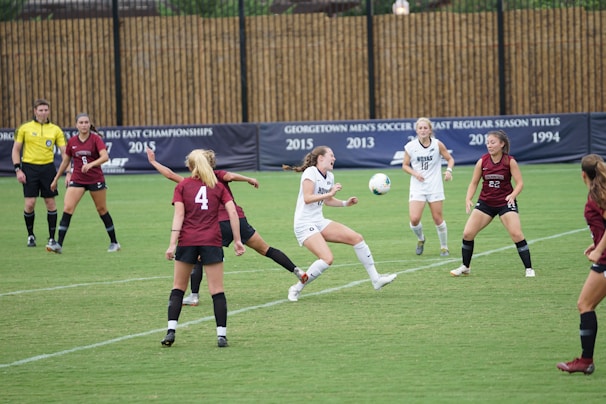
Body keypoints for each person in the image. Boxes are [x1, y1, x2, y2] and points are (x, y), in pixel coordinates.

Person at [147, 147, 308, 306]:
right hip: (238, 220)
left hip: (217, 224)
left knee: (198, 258)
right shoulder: (218, 175)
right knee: (265, 249)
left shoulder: (192, 183)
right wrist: (248, 179)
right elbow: (230, 175)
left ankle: (194, 296)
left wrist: (153, 162)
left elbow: (170, 175)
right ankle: (297, 271)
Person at [283, 146, 397, 302]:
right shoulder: (310, 172)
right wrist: (329, 193)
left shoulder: (329, 176)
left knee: (357, 238)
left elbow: (327, 200)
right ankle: (296, 288)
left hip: (318, 221)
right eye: (331, 155)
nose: (334, 158)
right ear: (321, 158)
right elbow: (308, 198)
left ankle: (376, 279)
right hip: (304, 223)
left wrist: (345, 203)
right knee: (327, 258)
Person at [160, 149, 245, 348]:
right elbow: (232, 212)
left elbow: (179, 216)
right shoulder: (218, 187)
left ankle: (171, 331)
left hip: (187, 240)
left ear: (190, 166)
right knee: (217, 290)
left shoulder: (182, 186)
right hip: (211, 240)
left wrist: (172, 243)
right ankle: (221, 336)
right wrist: (238, 240)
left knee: (178, 287)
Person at [450, 130, 535, 278]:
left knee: (516, 233)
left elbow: (520, 183)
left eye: (493, 142)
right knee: (467, 233)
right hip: (486, 203)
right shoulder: (482, 161)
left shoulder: (510, 161)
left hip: (505, 202)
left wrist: (512, 195)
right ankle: (465, 266)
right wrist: (468, 198)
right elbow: (474, 182)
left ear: (502, 144)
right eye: (488, 142)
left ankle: (529, 268)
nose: (489, 145)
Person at [556, 154, 606, 375]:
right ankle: (586, 360)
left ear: (583, 174)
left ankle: (586, 361)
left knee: (585, 305)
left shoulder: (596, 196)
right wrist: (594, 243)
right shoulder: (599, 193)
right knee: (585, 305)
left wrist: (599, 250)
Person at [47, 113, 120, 253]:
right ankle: (59, 244)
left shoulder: (95, 139)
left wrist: (92, 164)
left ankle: (114, 243)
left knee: (102, 209)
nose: (84, 125)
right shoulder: (72, 141)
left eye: (86, 122)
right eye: (81, 122)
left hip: (95, 179)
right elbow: (66, 161)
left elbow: (105, 157)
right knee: (68, 208)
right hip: (78, 179)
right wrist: (56, 179)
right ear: (76, 125)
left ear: (89, 124)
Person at [11, 98, 67, 249]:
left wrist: (68, 172)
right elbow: (16, 150)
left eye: (45, 110)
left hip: (48, 169)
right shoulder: (24, 128)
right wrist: (18, 169)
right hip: (29, 168)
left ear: (49, 111)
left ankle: (51, 238)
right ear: (35, 111)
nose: (43, 113)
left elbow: (64, 153)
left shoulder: (55, 130)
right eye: (40, 110)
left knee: (50, 203)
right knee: (30, 204)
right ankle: (30, 235)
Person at [402, 117, 455, 256]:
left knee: (437, 218)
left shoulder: (437, 144)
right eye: (420, 128)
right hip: (417, 187)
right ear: (416, 130)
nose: (423, 130)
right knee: (414, 219)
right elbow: (405, 165)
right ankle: (421, 239)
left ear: (430, 130)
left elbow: (450, 159)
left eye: (425, 128)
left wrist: (449, 171)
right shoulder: (411, 146)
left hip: (434, 186)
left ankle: (444, 246)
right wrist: (415, 173)